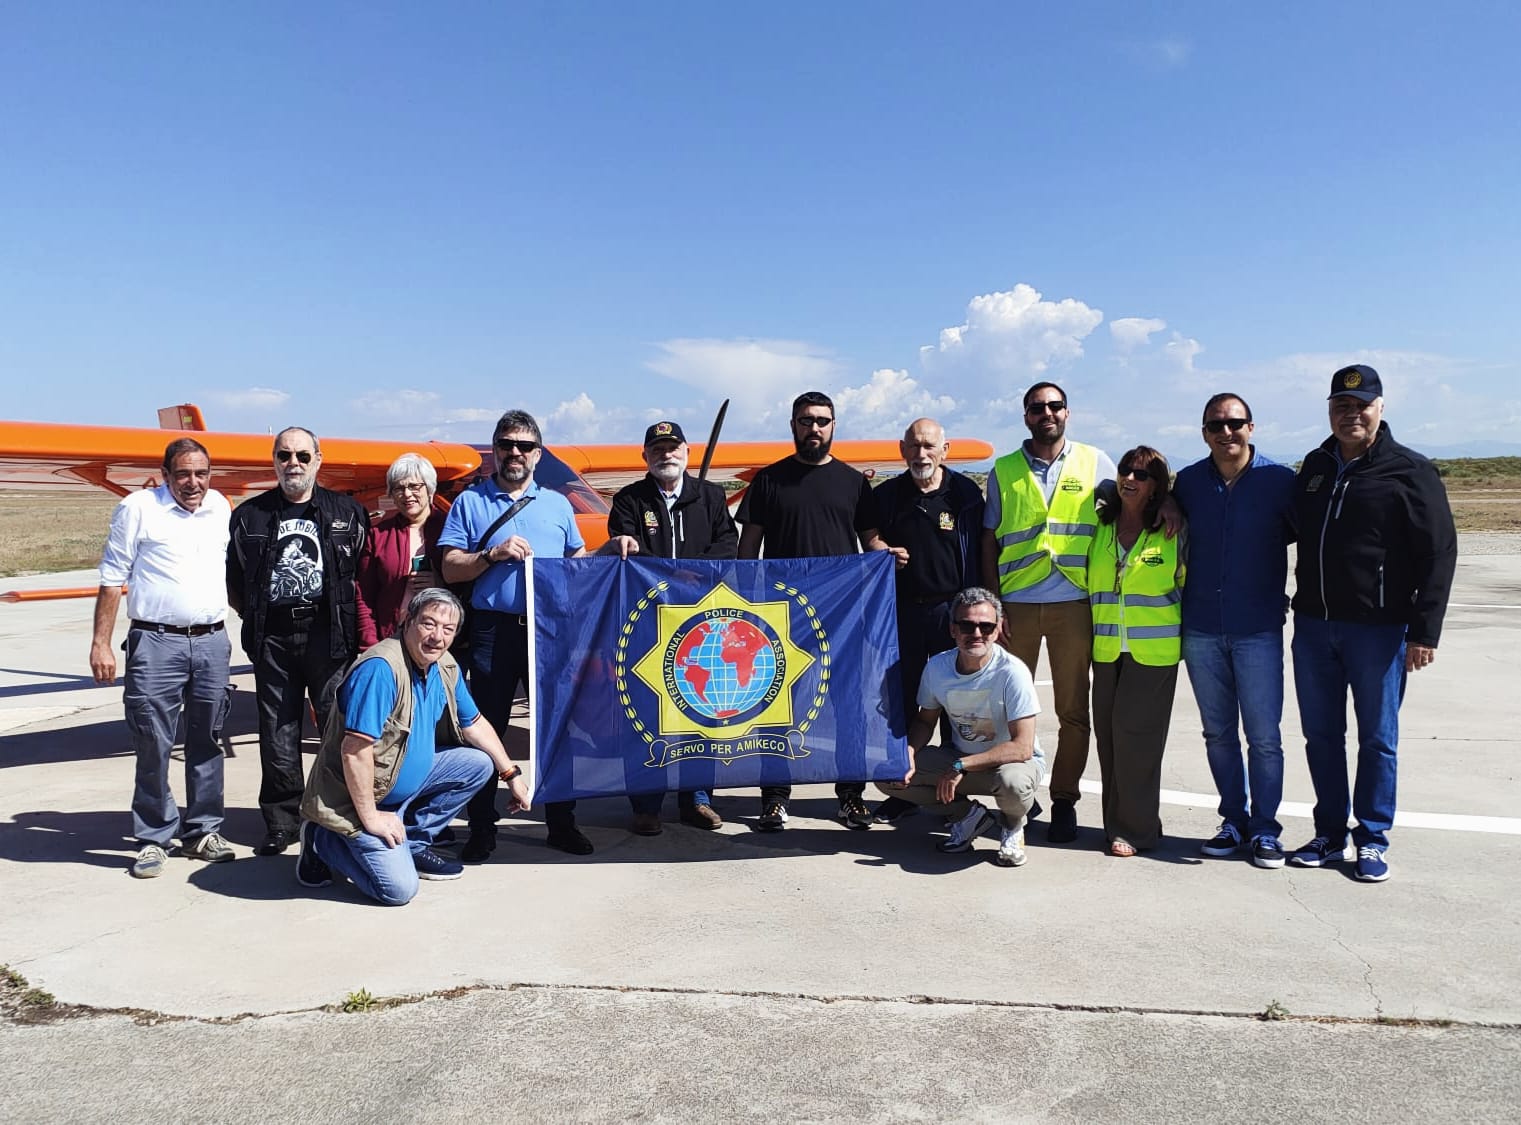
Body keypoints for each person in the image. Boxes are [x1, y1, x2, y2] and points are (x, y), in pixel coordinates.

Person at [1287, 364, 1457, 882]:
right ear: (1329, 410)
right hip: (1314, 626)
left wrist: (1424, 631)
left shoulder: (1410, 471)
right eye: (1341, 405)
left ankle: (1373, 838)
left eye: (1362, 406)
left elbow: (1439, 553)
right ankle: (1328, 833)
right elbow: (1284, 527)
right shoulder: (1315, 466)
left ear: (1380, 408)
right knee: (1321, 736)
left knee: (1378, 739)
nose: (1351, 414)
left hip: (1379, 631)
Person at [296, 589, 531, 905]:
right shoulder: (380, 669)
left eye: (448, 629)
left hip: (399, 783)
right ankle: (322, 839)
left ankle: (414, 844)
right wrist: (372, 817)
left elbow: (473, 724)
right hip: (357, 800)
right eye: (428, 624)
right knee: (398, 890)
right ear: (407, 621)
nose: (437, 637)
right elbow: (354, 751)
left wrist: (511, 774)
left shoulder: (444, 664)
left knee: (478, 764)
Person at [735, 390, 885, 831]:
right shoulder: (769, 481)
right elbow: (748, 551)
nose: (814, 428)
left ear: (834, 425)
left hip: (843, 617)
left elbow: (870, 541)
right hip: (782, 616)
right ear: (793, 426)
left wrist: (886, 553)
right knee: (778, 707)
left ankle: (851, 796)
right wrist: (745, 608)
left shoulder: (854, 483)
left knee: (849, 706)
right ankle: (774, 798)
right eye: (806, 420)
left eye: (822, 420)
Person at [440, 409, 587, 860]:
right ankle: (482, 827)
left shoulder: (558, 505)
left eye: (525, 446)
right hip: (493, 629)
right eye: (507, 444)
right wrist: (492, 554)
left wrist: (610, 554)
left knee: (556, 726)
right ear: (496, 450)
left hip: (548, 630)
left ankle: (561, 822)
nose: (515, 453)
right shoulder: (471, 502)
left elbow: (577, 561)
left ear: (538, 454)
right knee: (486, 728)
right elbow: (450, 566)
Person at [979, 382, 1117, 844]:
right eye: (1038, 408)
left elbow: (1128, 509)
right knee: (1008, 709)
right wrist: (994, 605)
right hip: (1016, 606)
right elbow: (989, 540)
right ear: (1026, 416)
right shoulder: (1003, 470)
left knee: (1073, 711)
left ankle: (1064, 800)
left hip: (1073, 603)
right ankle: (1017, 796)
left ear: (1067, 412)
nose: (1048, 413)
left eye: (1055, 406)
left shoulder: (1096, 462)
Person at [91, 438, 235, 878]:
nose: (193, 483)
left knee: (208, 738)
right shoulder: (138, 508)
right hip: (156, 642)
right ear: (166, 475)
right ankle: (154, 836)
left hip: (211, 641)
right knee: (153, 741)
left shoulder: (220, 507)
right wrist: (100, 643)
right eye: (183, 474)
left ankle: (203, 830)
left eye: (201, 473)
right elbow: (112, 577)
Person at [227, 427, 368, 857]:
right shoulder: (249, 516)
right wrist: (258, 616)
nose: (294, 464)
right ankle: (282, 821)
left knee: (335, 725)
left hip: (329, 634)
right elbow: (236, 580)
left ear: (318, 460)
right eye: (285, 455)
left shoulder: (348, 513)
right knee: (277, 730)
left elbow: (360, 572)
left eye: (303, 456)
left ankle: (334, 811)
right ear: (274, 460)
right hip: (274, 637)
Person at [1172, 394, 1296, 869]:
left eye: (1235, 423)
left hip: (1257, 628)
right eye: (1216, 425)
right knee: (1218, 734)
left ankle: (1265, 828)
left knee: (1264, 737)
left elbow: (1312, 537)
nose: (1227, 432)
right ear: (1204, 432)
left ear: (1251, 427)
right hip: (1201, 627)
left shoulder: (1279, 481)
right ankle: (1233, 820)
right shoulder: (1189, 483)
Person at [602, 419, 739, 833]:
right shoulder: (629, 500)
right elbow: (626, 551)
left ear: (687, 452)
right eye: (658, 449)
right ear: (645, 455)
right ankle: (646, 803)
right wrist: (671, 575)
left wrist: (695, 573)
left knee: (703, 708)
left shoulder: (711, 496)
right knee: (647, 710)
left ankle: (697, 798)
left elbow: (727, 545)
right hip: (649, 622)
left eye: (673, 447)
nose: (666, 454)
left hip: (702, 623)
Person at [872, 417, 987, 824]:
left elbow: (981, 550)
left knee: (956, 702)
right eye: (914, 446)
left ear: (944, 450)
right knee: (903, 701)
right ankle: (905, 789)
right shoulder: (887, 495)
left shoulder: (965, 494)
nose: (921, 454)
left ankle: (954, 788)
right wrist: (880, 548)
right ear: (902, 450)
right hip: (902, 612)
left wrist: (981, 609)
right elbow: (868, 535)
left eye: (929, 446)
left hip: (953, 613)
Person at [876, 587, 1044, 866]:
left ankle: (1013, 825)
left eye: (986, 626)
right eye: (966, 625)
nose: (976, 633)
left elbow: (1022, 747)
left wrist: (961, 766)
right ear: (952, 629)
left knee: (1012, 784)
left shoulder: (1012, 672)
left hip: (1011, 764)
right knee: (887, 774)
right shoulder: (937, 667)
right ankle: (968, 817)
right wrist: (908, 752)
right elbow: (924, 721)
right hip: (962, 758)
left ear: (997, 629)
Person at [1086, 446, 1184, 857]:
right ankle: (1121, 823)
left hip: (1153, 652)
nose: (1130, 478)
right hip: (1107, 649)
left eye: (1142, 475)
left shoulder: (1173, 529)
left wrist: (1170, 503)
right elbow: (1101, 486)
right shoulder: (1100, 523)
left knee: (1136, 742)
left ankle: (1136, 831)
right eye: (1126, 470)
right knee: (1109, 740)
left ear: (1157, 486)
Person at [356, 453, 448, 649]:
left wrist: (440, 584)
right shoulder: (378, 535)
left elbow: (468, 586)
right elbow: (364, 595)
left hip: (442, 641)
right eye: (398, 488)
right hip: (391, 640)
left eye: (414, 486)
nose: (407, 494)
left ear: (429, 488)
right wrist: (369, 644)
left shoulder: (451, 528)